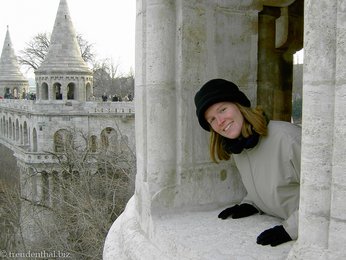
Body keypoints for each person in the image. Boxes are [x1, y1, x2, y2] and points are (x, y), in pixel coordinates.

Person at [194, 78, 301, 247]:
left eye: (222, 109)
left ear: (239, 105)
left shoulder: (288, 138)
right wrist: (250, 204)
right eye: (212, 119)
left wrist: (291, 228)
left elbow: (328, 194)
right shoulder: (239, 149)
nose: (220, 121)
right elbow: (265, 181)